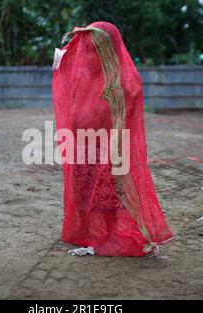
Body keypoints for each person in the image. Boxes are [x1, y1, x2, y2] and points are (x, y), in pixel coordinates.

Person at [52, 21, 172, 257]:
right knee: (83, 191)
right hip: (80, 144)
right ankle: (88, 234)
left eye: (94, 50)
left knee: (106, 197)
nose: (89, 56)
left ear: (109, 49)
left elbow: (129, 103)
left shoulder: (123, 80)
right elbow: (65, 72)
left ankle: (107, 236)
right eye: (86, 50)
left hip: (109, 148)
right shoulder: (84, 73)